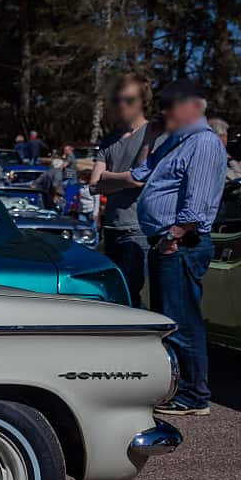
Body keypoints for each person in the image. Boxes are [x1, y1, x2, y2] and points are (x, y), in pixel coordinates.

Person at [127, 80, 227, 415]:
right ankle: (177, 388)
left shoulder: (203, 143)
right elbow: (140, 173)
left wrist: (173, 238)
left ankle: (194, 394)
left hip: (182, 243)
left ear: (193, 107)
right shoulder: (177, 141)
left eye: (170, 106)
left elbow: (196, 207)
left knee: (182, 321)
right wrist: (151, 138)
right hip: (167, 241)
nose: (163, 112)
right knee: (170, 320)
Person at [89, 72, 156, 305]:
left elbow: (140, 179)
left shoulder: (153, 134)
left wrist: (109, 177)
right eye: (118, 100)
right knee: (112, 296)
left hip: (137, 230)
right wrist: (124, 178)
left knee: (130, 296)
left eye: (129, 100)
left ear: (143, 101)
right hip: (111, 229)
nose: (122, 106)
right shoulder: (110, 140)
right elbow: (94, 186)